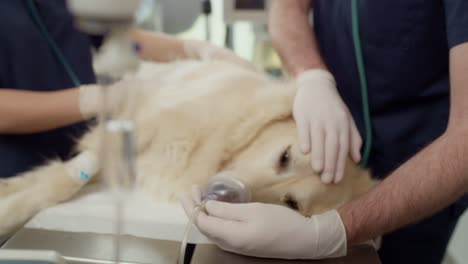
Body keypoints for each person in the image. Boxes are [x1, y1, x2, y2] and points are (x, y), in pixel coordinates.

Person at [181, 1, 468, 263]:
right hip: (324, 122)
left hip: (424, 181)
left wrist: (329, 232)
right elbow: (287, 8)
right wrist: (312, 76)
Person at [0, 0, 246, 179]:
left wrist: (190, 49)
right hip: (16, 174)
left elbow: (114, 38)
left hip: (77, 161)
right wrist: (92, 100)